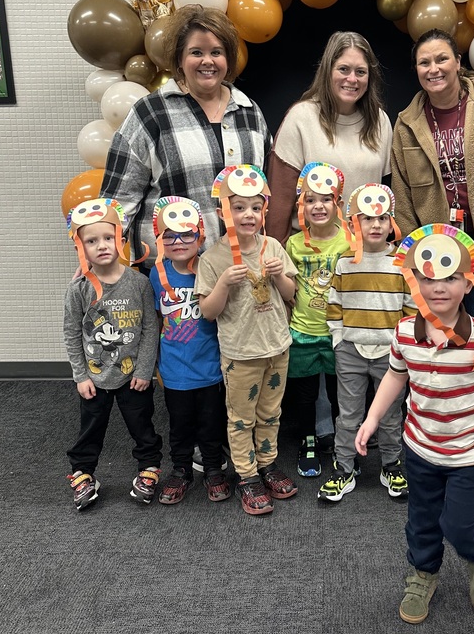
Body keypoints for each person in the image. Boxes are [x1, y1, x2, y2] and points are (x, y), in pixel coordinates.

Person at [355, 225, 474, 625]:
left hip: (470, 451)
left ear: (468, 283)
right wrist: (373, 417)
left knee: (460, 522)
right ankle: (423, 573)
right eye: (428, 278)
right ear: (415, 283)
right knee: (422, 518)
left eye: (450, 277)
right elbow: (396, 377)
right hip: (420, 446)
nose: (439, 287)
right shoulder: (403, 333)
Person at [101, 4, 271, 266]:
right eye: (196, 52)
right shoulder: (151, 113)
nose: (208, 61)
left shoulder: (249, 112)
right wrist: (99, 254)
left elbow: (265, 190)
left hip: (240, 271)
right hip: (173, 278)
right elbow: (119, 200)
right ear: (180, 59)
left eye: (217, 52)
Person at [390, 28, 474, 332]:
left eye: (441, 59)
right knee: (437, 332)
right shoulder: (406, 123)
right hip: (433, 250)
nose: (434, 69)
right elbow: (401, 192)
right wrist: (413, 250)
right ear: (416, 70)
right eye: (424, 63)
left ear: (458, 62)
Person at [196, 166, 298, 516]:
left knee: (271, 412)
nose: (248, 215)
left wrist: (279, 276)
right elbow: (208, 312)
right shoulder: (212, 259)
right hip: (241, 354)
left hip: (276, 347)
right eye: (239, 207)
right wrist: (224, 283)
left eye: (255, 207)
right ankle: (247, 475)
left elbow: (290, 294)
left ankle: (267, 464)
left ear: (264, 210)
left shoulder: (273, 246)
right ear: (224, 211)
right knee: (241, 418)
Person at [63, 198, 161, 510]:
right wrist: (80, 375)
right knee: (90, 429)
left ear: (120, 239)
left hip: (134, 378)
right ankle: (83, 473)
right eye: (91, 241)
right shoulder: (79, 288)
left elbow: (149, 328)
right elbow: (72, 332)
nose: (102, 246)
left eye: (108, 238)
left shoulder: (139, 283)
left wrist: (145, 371)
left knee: (142, 425)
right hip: (94, 377)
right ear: (81, 246)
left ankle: (148, 469)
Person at [320, 183, 414, 504]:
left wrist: (405, 350)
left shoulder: (401, 263)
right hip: (350, 351)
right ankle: (344, 467)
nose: (376, 225)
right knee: (348, 414)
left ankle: (391, 464)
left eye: (383, 218)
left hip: (391, 356)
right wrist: (338, 341)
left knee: (389, 415)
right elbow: (335, 306)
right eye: (367, 218)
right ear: (353, 223)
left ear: (391, 223)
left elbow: (410, 310)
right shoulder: (345, 263)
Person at [266, 31, 393, 245]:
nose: (352, 79)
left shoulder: (380, 121)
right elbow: (279, 203)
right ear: (328, 71)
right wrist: (276, 264)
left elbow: (389, 199)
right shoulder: (301, 117)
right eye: (343, 69)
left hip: (363, 253)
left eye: (360, 72)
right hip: (311, 258)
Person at [149, 196, 229, 505]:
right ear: (160, 238)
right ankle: (181, 469)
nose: (178, 241)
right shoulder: (156, 273)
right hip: (174, 369)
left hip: (209, 367)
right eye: (169, 235)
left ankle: (212, 469)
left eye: (187, 233)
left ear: (201, 234)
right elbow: (156, 318)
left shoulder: (210, 267)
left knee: (211, 423)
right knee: (179, 425)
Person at [285, 162, 351, 479]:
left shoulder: (351, 242)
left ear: (337, 202)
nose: (318, 206)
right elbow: (287, 290)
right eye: (310, 200)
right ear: (302, 206)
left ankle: (343, 444)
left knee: (343, 395)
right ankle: (308, 441)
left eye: (325, 199)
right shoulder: (294, 244)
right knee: (306, 396)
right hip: (304, 331)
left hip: (340, 333)